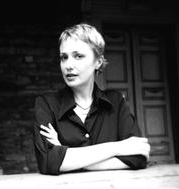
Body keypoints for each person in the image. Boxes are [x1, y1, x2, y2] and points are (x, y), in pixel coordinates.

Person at [33, 23, 150, 175]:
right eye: (64, 57)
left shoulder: (116, 102)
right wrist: (118, 147)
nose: (68, 65)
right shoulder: (47, 104)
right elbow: (48, 161)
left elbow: (138, 157)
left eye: (78, 56)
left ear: (98, 62)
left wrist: (67, 157)